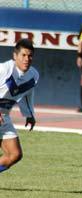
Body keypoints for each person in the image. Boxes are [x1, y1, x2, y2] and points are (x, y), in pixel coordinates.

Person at [0, 39, 38, 173]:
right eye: (23, 55)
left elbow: (27, 94)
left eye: (30, 55)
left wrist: (30, 114)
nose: (27, 59)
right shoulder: (4, 69)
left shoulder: (33, 75)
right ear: (15, 56)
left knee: (15, 155)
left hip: (3, 116)